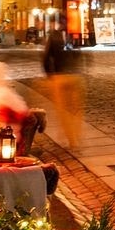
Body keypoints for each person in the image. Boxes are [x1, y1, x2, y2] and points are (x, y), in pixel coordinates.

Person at [43, 19, 85, 148]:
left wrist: (49, 74)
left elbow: (46, 57)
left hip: (60, 77)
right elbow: (81, 55)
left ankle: (71, 140)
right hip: (75, 76)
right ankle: (77, 135)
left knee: (63, 111)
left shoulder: (53, 36)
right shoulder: (76, 35)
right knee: (76, 110)